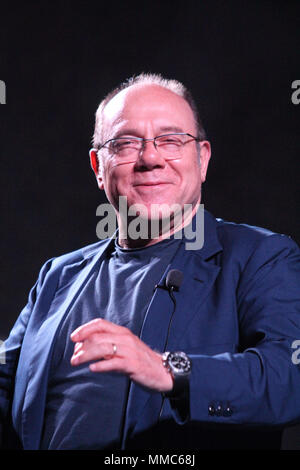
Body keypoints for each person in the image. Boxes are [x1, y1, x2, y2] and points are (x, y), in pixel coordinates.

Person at [1, 73, 300, 450]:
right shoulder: (58, 276)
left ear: (202, 159)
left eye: (171, 140)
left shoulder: (261, 257)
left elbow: (289, 377)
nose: (150, 158)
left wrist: (167, 369)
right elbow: (7, 382)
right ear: (98, 166)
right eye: (125, 144)